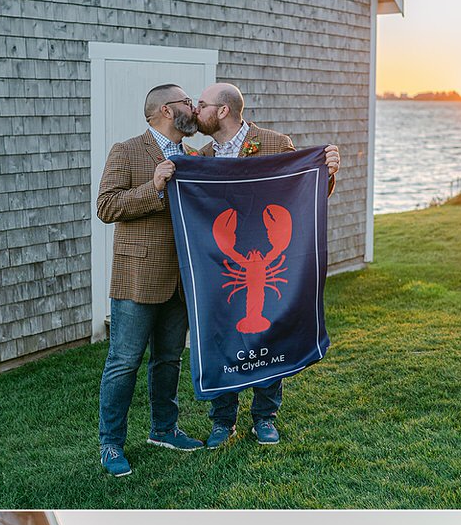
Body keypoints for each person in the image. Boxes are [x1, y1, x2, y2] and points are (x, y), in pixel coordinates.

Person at [194, 83, 341, 449]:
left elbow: (304, 192)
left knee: (269, 337)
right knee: (221, 338)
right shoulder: (201, 155)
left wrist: (328, 172)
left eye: (201, 105)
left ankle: (264, 417)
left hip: (271, 251)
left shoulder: (274, 143)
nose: (196, 111)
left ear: (223, 110)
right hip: (222, 259)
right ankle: (222, 420)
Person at [95, 84, 205, 477]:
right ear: (164, 110)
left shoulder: (192, 156)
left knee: (169, 360)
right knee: (123, 363)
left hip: (180, 279)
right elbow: (106, 206)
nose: (194, 107)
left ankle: (164, 429)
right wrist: (153, 186)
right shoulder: (126, 150)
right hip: (137, 277)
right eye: (187, 102)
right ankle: (111, 444)